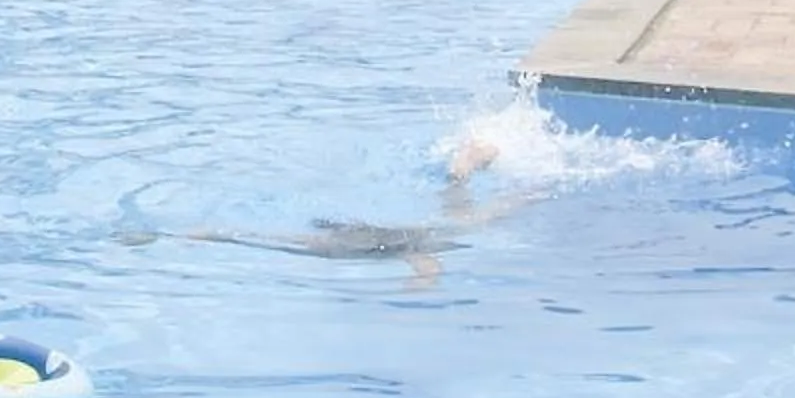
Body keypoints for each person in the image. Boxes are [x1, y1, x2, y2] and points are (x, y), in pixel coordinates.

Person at [127, 139, 511, 286]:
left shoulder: (420, 244)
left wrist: (421, 282)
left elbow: (427, 269)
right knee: (469, 219)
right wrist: (418, 287)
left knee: (266, 238)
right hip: (362, 240)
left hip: (355, 237)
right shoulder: (423, 246)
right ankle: (464, 169)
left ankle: (192, 234)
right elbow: (427, 270)